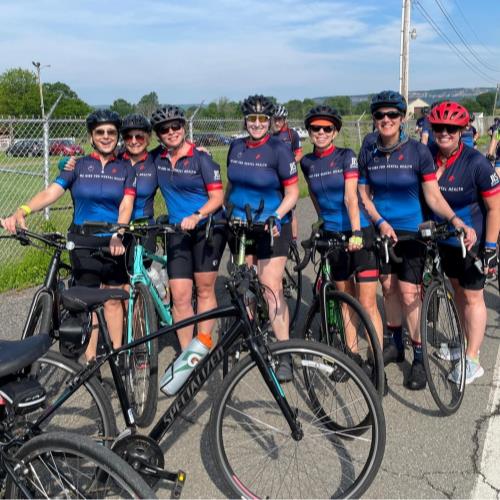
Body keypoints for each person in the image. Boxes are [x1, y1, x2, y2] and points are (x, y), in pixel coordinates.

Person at [358, 90, 476, 391]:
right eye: (380, 115)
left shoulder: (417, 152)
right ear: (374, 119)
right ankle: (396, 344)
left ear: (403, 118)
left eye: (392, 114)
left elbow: (432, 195)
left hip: (412, 231)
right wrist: (380, 222)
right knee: (388, 288)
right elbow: (363, 194)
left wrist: (455, 220)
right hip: (382, 230)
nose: (386, 119)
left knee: (409, 292)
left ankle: (420, 357)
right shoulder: (368, 149)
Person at [1, 110, 136, 361]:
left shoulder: (126, 168)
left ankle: (117, 356)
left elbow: (126, 205)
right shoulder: (78, 166)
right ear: (91, 137)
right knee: (88, 302)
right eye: (100, 132)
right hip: (82, 241)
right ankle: (91, 361)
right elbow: (51, 192)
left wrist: (119, 233)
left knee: (113, 300)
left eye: (111, 132)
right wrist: (23, 210)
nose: (106, 136)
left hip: (114, 241)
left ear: (117, 136)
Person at [300, 105, 384, 377]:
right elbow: (314, 195)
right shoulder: (307, 163)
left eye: (327, 128)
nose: (321, 132)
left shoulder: (346, 156)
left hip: (359, 232)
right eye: (316, 128)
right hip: (332, 237)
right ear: (309, 132)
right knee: (345, 300)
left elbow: (350, 198)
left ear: (335, 132)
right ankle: (351, 357)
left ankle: (377, 363)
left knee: (367, 303)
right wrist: (321, 221)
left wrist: (356, 232)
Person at [226, 94, 299, 381]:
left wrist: (277, 215)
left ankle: (284, 353)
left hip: (272, 226)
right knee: (243, 283)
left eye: (262, 119)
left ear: (269, 121)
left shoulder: (279, 150)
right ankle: (250, 334)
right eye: (252, 119)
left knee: (270, 288)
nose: (257, 124)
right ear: (245, 120)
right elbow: (232, 185)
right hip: (241, 225)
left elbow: (292, 193)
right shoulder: (235, 147)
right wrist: (225, 210)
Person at [428, 101, 500, 384]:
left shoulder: (476, 163)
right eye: (439, 128)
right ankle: (463, 340)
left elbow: (495, 208)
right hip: (445, 240)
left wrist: (490, 248)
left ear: (461, 131)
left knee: (473, 297)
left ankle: (473, 358)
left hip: (473, 241)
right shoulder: (429, 155)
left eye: (451, 128)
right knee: (457, 292)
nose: (444, 133)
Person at [150, 105, 225, 350]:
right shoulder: (156, 158)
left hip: (207, 227)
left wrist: (196, 215)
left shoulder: (201, 159)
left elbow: (217, 198)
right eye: (164, 129)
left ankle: (202, 346)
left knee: (204, 289)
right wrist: (69, 163)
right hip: (177, 231)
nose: (171, 132)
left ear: (183, 127)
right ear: (158, 135)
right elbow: (128, 155)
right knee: (180, 295)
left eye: (176, 126)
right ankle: (187, 355)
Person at [271, 105, 302, 240]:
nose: (277, 122)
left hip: (288, 177)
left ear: (285, 120)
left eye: (280, 119)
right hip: (274, 178)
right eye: (275, 119)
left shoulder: (292, 134)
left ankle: (293, 240)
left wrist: (288, 165)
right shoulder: (270, 135)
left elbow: (299, 154)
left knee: (291, 211)